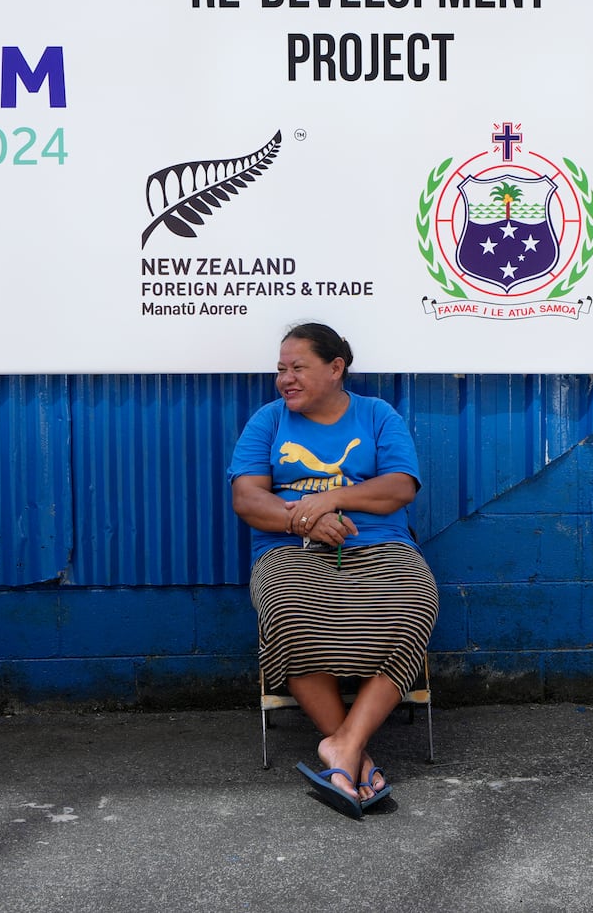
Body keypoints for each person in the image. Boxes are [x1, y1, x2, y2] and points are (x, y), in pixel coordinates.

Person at [228, 322, 438, 818]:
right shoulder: (269, 420)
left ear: (336, 368)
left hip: (379, 544)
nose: (286, 379)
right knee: (287, 611)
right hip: (289, 549)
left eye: (298, 368)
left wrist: (328, 500)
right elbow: (247, 497)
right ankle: (355, 755)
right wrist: (302, 521)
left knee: (415, 603)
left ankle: (342, 748)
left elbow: (400, 488)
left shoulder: (376, 415)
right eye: (281, 369)